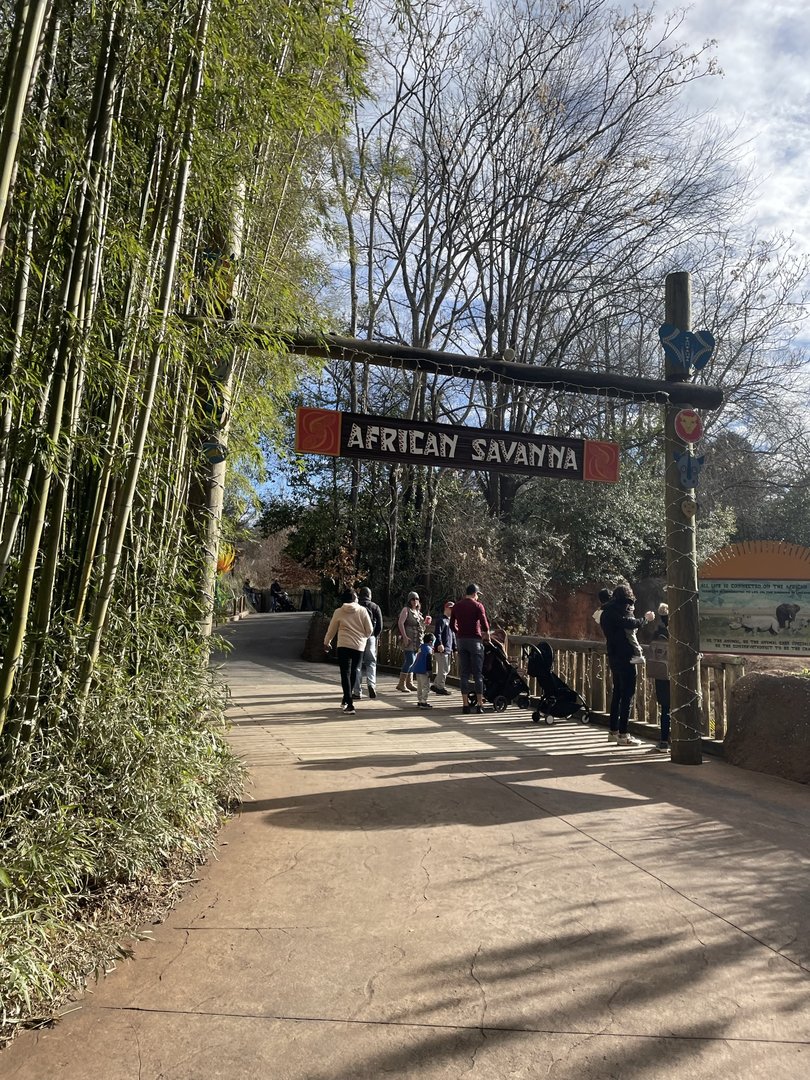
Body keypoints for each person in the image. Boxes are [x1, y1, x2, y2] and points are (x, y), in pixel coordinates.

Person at [599, 584, 655, 746]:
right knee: (628, 695)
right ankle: (623, 735)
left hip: (613, 655)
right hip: (627, 657)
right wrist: (646, 619)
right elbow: (631, 624)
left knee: (617, 693)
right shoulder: (621, 610)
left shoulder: (605, 612)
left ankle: (613, 731)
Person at [323, 589, 373, 715]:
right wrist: (363, 638)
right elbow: (369, 630)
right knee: (355, 671)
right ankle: (347, 699)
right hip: (358, 646)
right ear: (355, 598)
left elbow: (332, 629)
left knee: (345, 672)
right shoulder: (363, 611)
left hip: (343, 644)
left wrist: (327, 642)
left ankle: (348, 702)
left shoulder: (339, 612)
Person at [450, 583, 491, 714]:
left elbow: (452, 625)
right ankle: (479, 705)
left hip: (461, 641)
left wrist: (459, 632)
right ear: (474, 594)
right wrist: (487, 636)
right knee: (478, 674)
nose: (478, 597)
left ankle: (465, 705)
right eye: (478, 594)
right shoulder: (478, 606)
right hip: (475, 640)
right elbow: (485, 625)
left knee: (464, 674)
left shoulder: (457, 606)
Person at [644, 603, 671, 752]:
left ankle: (663, 741)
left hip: (661, 673)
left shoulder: (658, 632)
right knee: (679, 707)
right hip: (679, 674)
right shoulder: (680, 632)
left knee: (665, 708)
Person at [352, 586, 383, 700]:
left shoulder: (356, 607)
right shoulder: (375, 607)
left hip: (357, 638)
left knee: (357, 664)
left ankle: (357, 691)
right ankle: (371, 684)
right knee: (371, 662)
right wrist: (375, 635)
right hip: (370, 637)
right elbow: (380, 625)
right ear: (370, 595)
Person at [396, 591, 430, 693]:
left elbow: (421, 627)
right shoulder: (406, 610)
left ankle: (409, 683)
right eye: (413, 599)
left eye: (417, 599)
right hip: (409, 639)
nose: (415, 601)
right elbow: (400, 623)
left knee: (414, 661)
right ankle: (401, 684)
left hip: (417, 640)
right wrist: (404, 637)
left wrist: (426, 623)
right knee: (410, 660)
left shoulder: (418, 613)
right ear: (409, 600)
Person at [431, 600, 455, 695]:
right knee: (443, 669)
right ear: (446, 608)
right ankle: (440, 687)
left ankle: (436, 685)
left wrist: (455, 647)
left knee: (446, 669)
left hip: (448, 649)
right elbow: (438, 633)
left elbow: (452, 636)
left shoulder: (450, 621)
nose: (452, 611)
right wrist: (439, 644)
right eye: (450, 609)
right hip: (441, 649)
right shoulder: (441, 620)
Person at [410, 632, 435, 708]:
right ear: (431, 642)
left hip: (417, 669)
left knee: (419, 686)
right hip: (424, 670)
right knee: (426, 687)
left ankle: (420, 700)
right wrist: (429, 671)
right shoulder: (428, 650)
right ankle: (424, 701)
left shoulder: (421, 647)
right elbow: (428, 661)